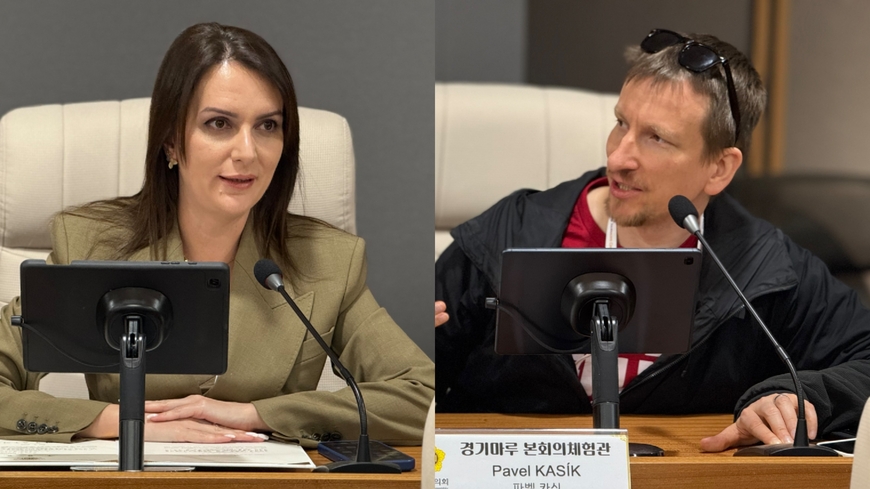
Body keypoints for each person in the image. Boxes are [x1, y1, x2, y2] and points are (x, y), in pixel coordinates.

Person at [434, 29, 870, 452]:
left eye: (656, 138)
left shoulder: (766, 269)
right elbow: (413, 377)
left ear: (719, 168)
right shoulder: (509, 233)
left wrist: (798, 395)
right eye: (620, 123)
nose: (618, 157)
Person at [0, 22, 434, 446]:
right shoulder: (91, 243)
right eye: (219, 124)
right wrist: (116, 421)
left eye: (268, 126)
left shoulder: (330, 261)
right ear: (171, 141)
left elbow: (421, 395)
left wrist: (259, 415)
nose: (247, 152)